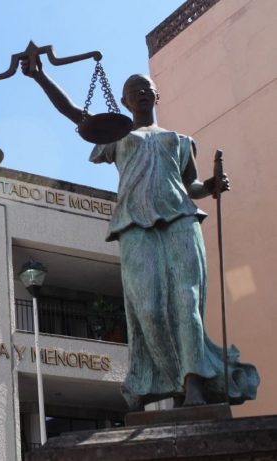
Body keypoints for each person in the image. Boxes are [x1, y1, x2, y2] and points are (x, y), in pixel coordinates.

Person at [21, 57, 259, 409]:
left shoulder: (180, 140)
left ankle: (194, 383)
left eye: (147, 88)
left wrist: (211, 185)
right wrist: (41, 77)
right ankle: (171, 381)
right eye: (134, 91)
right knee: (148, 309)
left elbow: (190, 186)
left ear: (156, 96)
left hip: (180, 220)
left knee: (187, 303)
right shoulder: (116, 135)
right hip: (133, 224)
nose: (142, 93)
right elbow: (75, 113)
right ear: (124, 101)